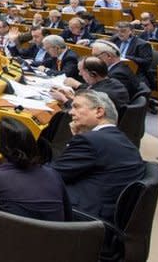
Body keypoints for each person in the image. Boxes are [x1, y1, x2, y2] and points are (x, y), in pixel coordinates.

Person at [50, 90, 145, 222]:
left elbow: (52, 175)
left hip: (81, 217)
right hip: (104, 212)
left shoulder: (92, 140)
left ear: (99, 112)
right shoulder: (118, 139)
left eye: (76, 107)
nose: (71, 112)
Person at [0, 117, 71, 221]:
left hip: (11, 235)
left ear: (2, 147)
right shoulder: (53, 174)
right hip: (56, 235)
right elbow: (68, 216)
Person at [53, 57, 130, 114]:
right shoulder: (114, 82)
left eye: (81, 71)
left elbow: (82, 112)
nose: (79, 74)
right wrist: (71, 96)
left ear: (92, 74)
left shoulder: (99, 94)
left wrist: (64, 99)